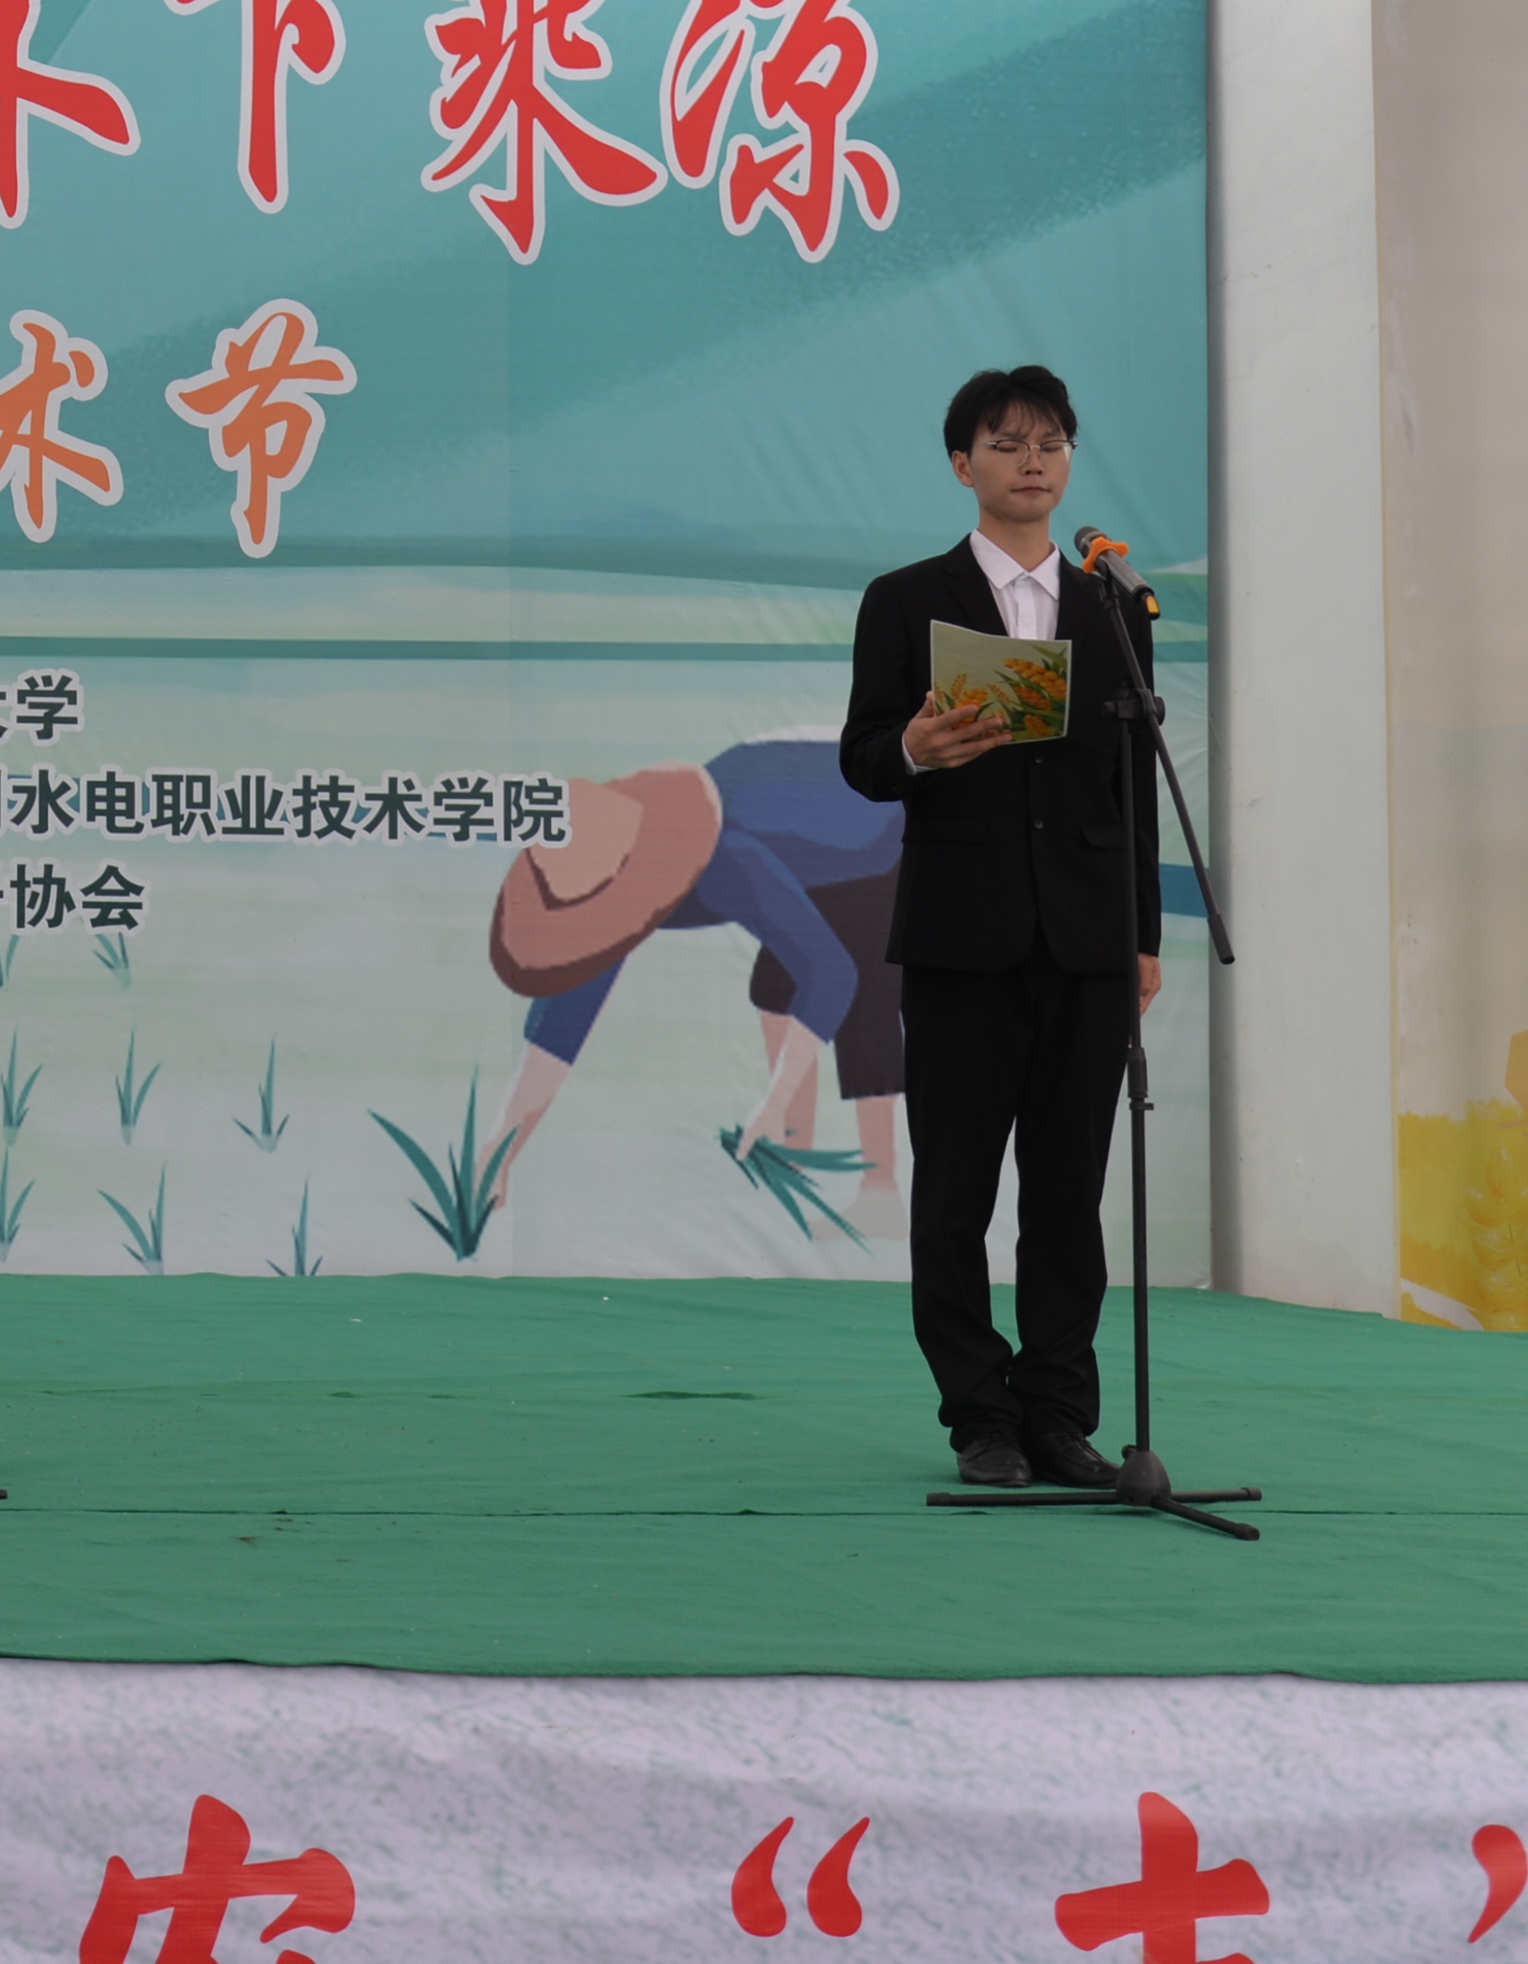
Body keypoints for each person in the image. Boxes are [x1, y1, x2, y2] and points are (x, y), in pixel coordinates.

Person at [835, 364, 1160, 1492]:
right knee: (955, 1193)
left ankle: (1060, 1415)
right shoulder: (904, 599)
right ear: (961, 463)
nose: (1033, 461)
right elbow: (863, 755)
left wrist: (1142, 935)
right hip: (961, 938)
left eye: (1051, 442)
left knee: (1069, 1192)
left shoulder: (1115, 605)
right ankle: (981, 1416)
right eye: (1007, 442)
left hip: (1086, 941)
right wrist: (915, 749)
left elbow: (1135, 780)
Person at [485, 740, 908, 1230]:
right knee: (775, 992)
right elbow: (560, 1028)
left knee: (862, 1006)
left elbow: (831, 975)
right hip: (800, 848)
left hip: (881, 838)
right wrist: (500, 1150)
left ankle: (880, 1191)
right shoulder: (610, 887)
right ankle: (793, 1161)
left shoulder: (727, 863)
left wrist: (774, 1100)